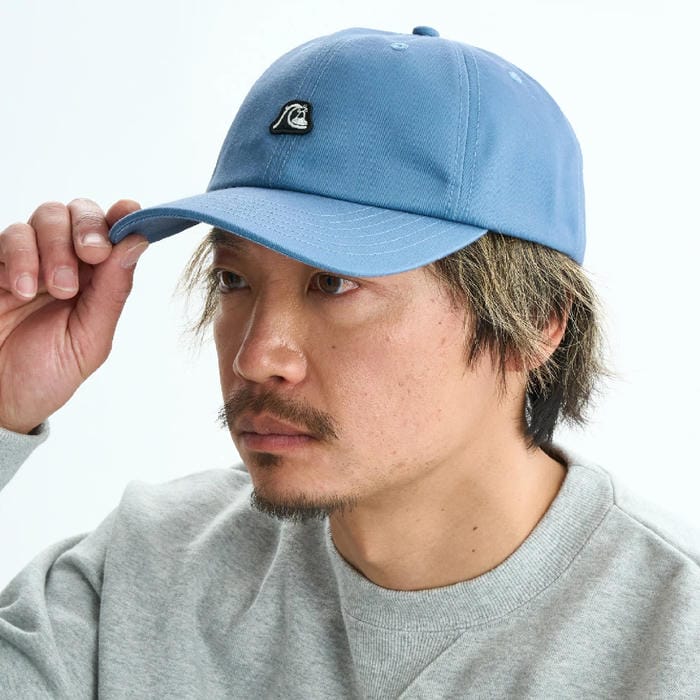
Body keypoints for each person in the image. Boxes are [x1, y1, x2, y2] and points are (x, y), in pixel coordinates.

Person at [0, 25, 698, 699]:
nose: (256, 356)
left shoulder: (675, 643)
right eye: (234, 280)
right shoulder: (138, 575)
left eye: (333, 282)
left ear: (536, 321)